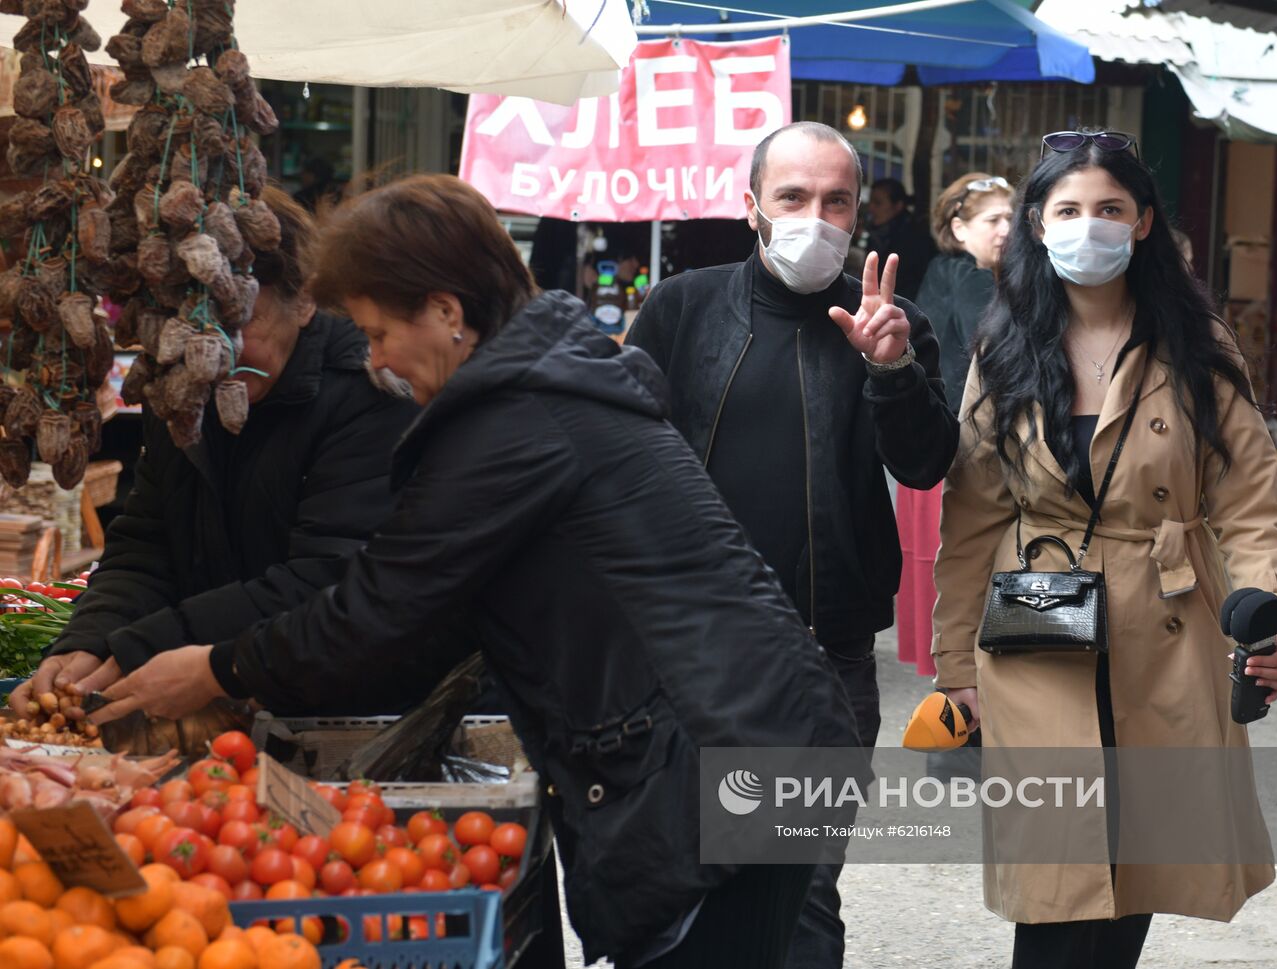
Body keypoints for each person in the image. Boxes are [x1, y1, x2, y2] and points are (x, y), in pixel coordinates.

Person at [87, 174, 862, 969]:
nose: (376, 359)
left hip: (722, 758)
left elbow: (378, 606)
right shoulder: (545, 387)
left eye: (380, 331)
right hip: (758, 737)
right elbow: (426, 617)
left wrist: (215, 665)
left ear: (448, 313)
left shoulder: (512, 420)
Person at [932, 129, 1277, 968]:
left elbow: (1250, 501)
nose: (1087, 226)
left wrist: (1271, 614)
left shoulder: (1199, 346)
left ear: (1141, 224)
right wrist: (954, 663)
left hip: (1164, 631)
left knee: (1132, 873)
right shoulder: (1005, 345)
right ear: (1034, 221)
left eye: (1109, 209)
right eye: (1068, 209)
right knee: (1055, 884)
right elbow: (974, 519)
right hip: (1033, 635)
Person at [625, 121, 959, 969]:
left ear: (857, 218)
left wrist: (893, 371)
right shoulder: (681, 308)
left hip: (824, 664)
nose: (817, 216)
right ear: (752, 207)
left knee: (801, 897)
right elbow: (620, 461)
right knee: (679, 893)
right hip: (684, 661)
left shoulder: (895, 321)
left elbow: (924, 467)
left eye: (836, 201)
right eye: (794, 197)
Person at [10, 187, 422, 713]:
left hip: (352, 709)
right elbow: (146, 547)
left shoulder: (371, 395)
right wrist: (89, 641)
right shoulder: (178, 389)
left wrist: (148, 646)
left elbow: (328, 579)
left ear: (304, 300)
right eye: (190, 325)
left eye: (237, 320)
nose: (214, 352)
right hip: (228, 708)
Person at [896, 172, 1013, 676]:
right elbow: (998, 360)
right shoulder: (974, 280)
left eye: (1012, 217)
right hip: (971, 450)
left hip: (940, 441)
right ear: (959, 228)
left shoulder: (944, 271)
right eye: (993, 220)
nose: (1006, 228)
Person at [864, 177, 933, 302]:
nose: (871, 208)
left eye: (878, 203)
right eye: (871, 202)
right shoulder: (878, 235)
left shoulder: (916, 241)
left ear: (898, 206)